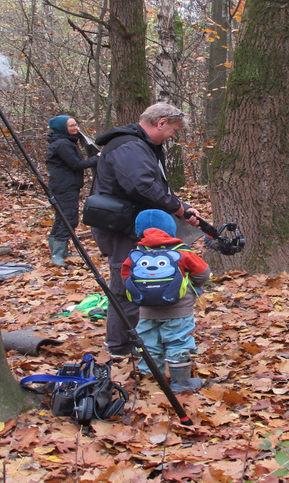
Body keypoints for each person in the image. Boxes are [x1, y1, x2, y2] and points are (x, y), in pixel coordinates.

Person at [91, 103, 200, 361]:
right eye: (172, 130)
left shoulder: (142, 147)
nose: (173, 136)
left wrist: (180, 207)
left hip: (133, 224)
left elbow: (154, 185)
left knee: (139, 280)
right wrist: (178, 209)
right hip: (120, 227)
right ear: (161, 122)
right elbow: (142, 185)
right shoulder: (128, 146)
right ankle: (119, 349)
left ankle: (142, 343)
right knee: (126, 284)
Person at [122, 209, 210, 393]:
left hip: (147, 310)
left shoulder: (135, 253)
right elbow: (203, 273)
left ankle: (152, 383)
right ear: (171, 229)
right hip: (179, 310)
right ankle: (181, 383)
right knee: (178, 342)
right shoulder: (181, 251)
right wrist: (193, 286)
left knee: (149, 344)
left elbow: (125, 277)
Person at [45, 115, 99, 267]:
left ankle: (58, 252)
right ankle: (57, 256)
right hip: (64, 187)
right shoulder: (62, 144)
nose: (76, 128)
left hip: (63, 185)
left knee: (61, 217)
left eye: (76, 125)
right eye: (71, 126)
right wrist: (97, 158)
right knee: (69, 218)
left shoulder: (65, 142)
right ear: (62, 128)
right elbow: (76, 164)